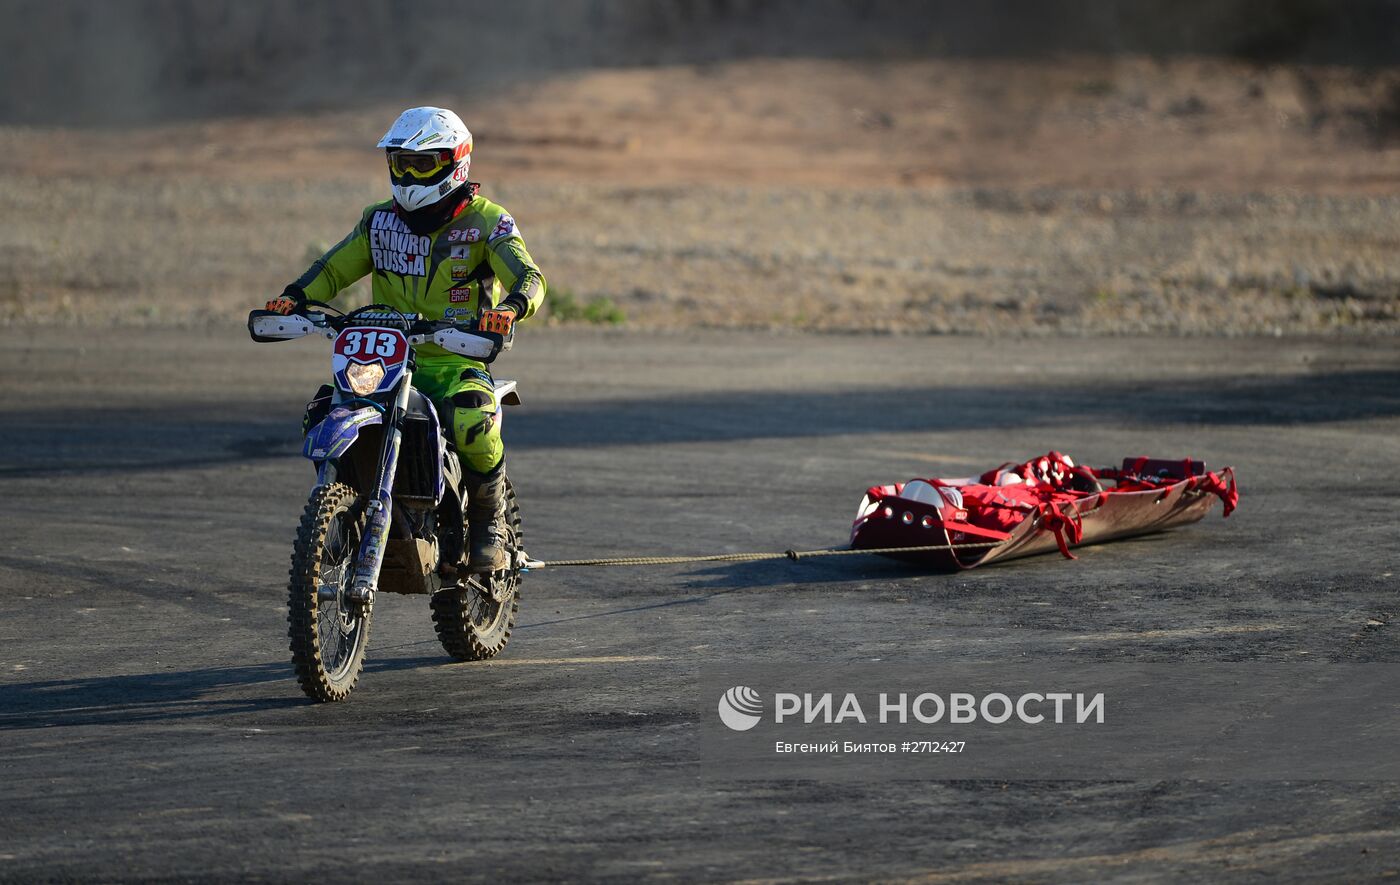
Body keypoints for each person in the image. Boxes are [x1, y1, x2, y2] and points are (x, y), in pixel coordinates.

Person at [265, 106, 546, 573]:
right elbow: (333, 269)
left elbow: (530, 276)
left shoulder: (488, 222)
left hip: (455, 361)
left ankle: (487, 525)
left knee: (473, 417)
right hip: (383, 360)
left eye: (423, 163)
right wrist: (293, 297)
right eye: (401, 163)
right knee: (322, 412)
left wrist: (509, 309)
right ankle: (342, 517)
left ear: (455, 162)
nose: (409, 174)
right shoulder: (377, 222)